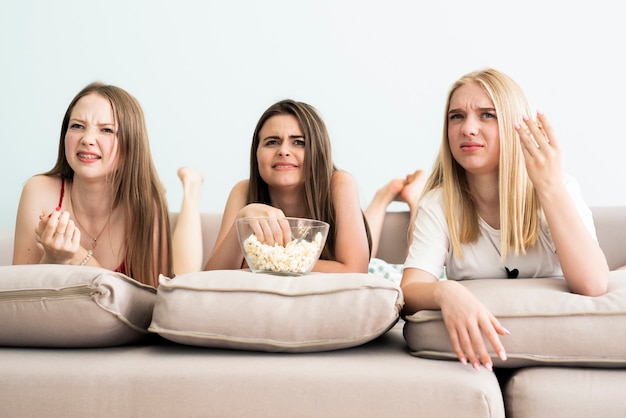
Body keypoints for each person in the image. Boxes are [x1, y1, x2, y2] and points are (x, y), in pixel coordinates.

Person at [400, 68, 609, 372]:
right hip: (478, 361)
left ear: (517, 127)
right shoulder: (438, 203)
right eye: (456, 117)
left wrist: (549, 187)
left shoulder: (559, 187)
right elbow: (409, 291)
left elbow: (593, 283)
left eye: (487, 115)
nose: (468, 129)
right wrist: (448, 291)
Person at [173, 99, 371, 275]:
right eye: (272, 142)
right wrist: (241, 221)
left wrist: (263, 263)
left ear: (318, 152)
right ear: (256, 153)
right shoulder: (243, 191)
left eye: (299, 142)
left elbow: (354, 270)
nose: (284, 151)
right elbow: (212, 277)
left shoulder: (340, 184)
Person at [13, 82, 172, 287]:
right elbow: (19, 300)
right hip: (53, 320)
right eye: (77, 126)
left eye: (106, 130)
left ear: (131, 143)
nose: (87, 139)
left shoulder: (147, 206)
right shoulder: (38, 191)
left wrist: (80, 258)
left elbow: (154, 304)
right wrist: (54, 260)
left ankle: (191, 194)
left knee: (186, 273)